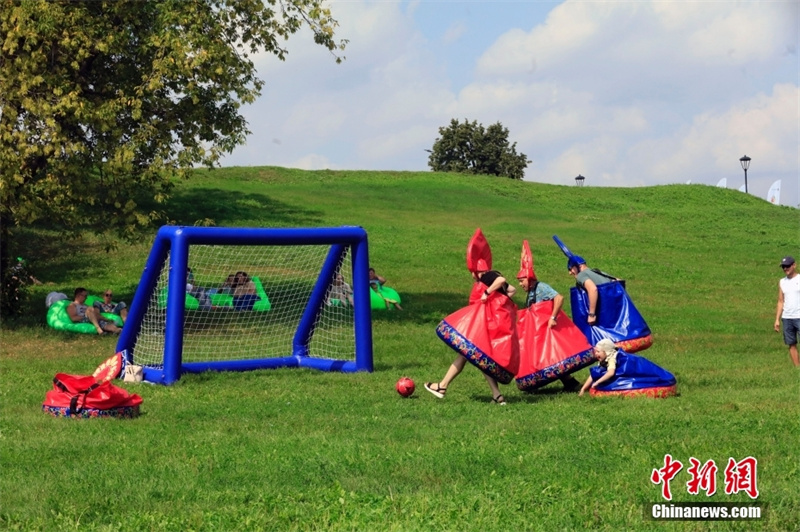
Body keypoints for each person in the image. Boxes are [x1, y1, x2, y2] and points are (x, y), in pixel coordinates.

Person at [425, 228, 519, 405]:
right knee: (474, 357)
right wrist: (499, 299)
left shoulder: (488, 276)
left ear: (476, 270)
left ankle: (443, 386)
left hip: (485, 327)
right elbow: (511, 289)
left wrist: (487, 293)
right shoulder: (490, 277)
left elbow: (500, 280)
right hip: (491, 325)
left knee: (474, 356)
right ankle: (495, 395)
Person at [517, 261, 582, 392]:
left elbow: (559, 298)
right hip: (537, 331)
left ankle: (566, 382)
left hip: (546, 328)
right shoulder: (531, 291)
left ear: (529, 278)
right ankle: (569, 382)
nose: (520, 284)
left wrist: (553, 317)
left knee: (550, 356)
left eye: (521, 280)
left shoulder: (541, 288)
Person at [567, 255, 616, 326]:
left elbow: (593, 289)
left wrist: (591, 314)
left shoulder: (581, 275)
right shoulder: (598, 272)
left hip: (604, 316)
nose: (570, 273)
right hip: (614, 313)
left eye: (570, 269)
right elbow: (618, 281)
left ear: (577, 266)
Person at [774, 255, 800, 367]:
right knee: (791, 343)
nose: (785, 269)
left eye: (787, 266)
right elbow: (780, 301)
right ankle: (797, 368)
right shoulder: (782, 282)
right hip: (787, 317)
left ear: (794, 265)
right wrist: (777, 320)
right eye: (783, 267)